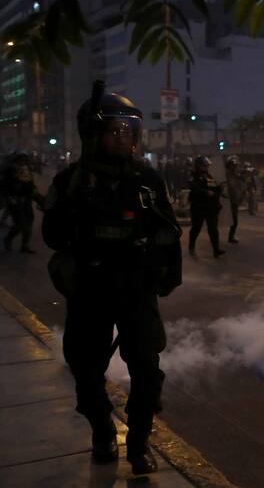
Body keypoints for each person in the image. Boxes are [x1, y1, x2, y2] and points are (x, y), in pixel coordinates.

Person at [42, 84, 182, 474]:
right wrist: (75, 204)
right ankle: (103, 430)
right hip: (89, 291)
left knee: (147, 372)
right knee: (85, 372)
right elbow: (52, 237)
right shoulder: (71, 179)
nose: (125, 137)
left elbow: (169, 233)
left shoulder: (147, 180)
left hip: (135, 291)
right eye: (114, 129)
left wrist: (163, 275)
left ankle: (138, 445)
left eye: (130, 129)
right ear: (92, 135)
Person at [2, 153, 43, 253]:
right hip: (15, 201)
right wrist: (9, 197)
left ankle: (24, 246)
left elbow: (29, 184)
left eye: (25, 160)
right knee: (20, 224)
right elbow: (4, 186)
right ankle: (7, 239)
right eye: (22, 160)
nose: (24, 161)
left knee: (28, 225)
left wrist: (35, 192)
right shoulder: (10, 170)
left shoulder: (26, 169)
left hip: (26, 200)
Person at [188, 155, 225, 257]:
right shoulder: (193, 176)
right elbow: (194, 186)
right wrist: (205, 192)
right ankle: (191, 246)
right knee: (196, 228)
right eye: (204, 166)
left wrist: (219, 189)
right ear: (198, 166)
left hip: (210, 208)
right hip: (198, 207)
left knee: (213, 228)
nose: (206, 167)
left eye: (207, 166)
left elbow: (215, 188)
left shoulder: (209, 176)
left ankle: (216, 250)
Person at [224, 156, 243, 244]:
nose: (234, 167)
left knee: (234, 221)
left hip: (233, 201)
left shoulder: (235, 176)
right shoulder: (225, 176)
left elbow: (239, 188)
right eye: (233, 166)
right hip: (226, 201)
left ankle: (231, 236)